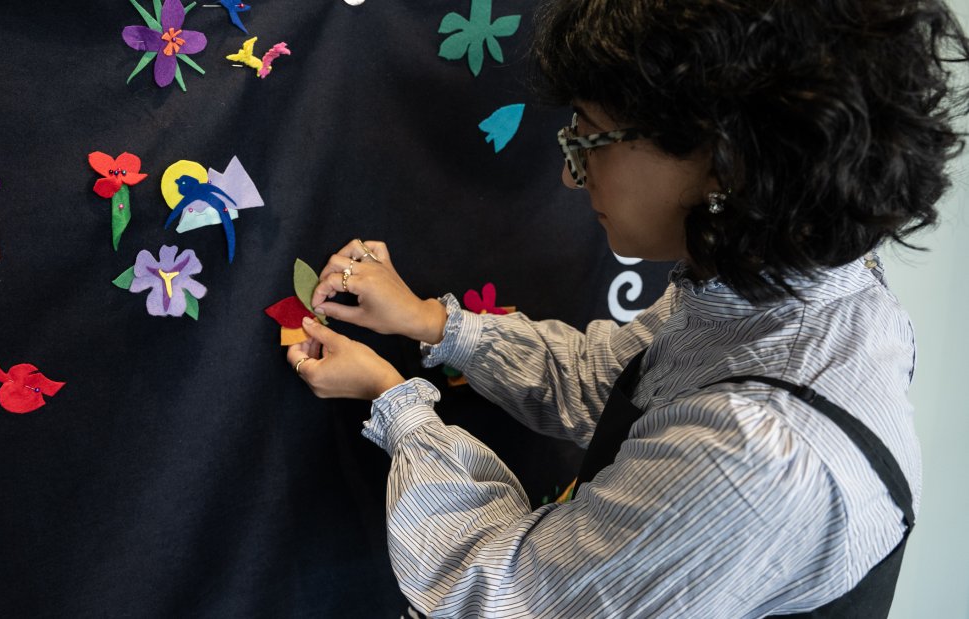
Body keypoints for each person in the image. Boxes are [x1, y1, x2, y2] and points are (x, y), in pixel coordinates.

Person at [286, 0, 969, 616]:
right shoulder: (781, 289)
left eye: (588, 139)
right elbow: (611, 378)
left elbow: (497, 591)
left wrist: (398, 401)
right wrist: (431, 323)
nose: (568, 172)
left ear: (723, 159)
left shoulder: (756, 453)